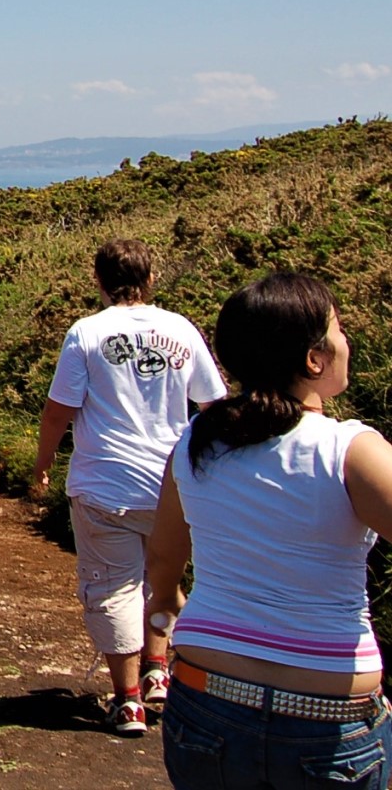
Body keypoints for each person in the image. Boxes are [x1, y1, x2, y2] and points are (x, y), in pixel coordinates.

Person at [147, 273, 392, 789]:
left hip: (206, 700)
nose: (347, 340)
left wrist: (168, 604)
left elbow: (163, 562)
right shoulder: (351, 450)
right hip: (329, 723)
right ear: (313, 359)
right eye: (339, 328)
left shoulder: (199, 441)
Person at [32, 238, 225, 736]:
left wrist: (44, 462)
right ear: (151, 278)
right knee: (164, 580)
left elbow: (60, 409)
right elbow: (213, 405)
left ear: (98, 280)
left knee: (114, 587)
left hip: (106, 482)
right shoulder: (181, 329)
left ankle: (128, 698)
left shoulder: (86, 333)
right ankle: (159, 669)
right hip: (173, 484)